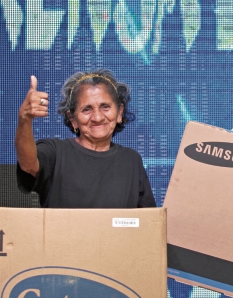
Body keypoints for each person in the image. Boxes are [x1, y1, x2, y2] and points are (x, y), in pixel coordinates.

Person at [15, 69, 156, 208]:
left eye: (105, 107)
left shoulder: (131, 160)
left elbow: (149, 222)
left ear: (119, 112)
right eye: (87, 109)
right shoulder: (56, 152)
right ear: (72, 118)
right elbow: (28, 165)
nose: (97, 117)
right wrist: (24, 118)